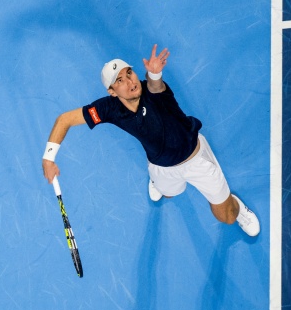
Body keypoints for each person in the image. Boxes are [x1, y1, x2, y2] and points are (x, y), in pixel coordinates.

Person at [41, 44, 260, 237]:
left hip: (196, 161)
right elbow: (64, 120)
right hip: (160, 167)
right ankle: (157, 182)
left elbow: (156, 86)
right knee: (168, 193)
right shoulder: (108, 108)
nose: (130, 81)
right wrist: (48, 159)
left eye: (130, 73)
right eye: (120, 80)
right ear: (112, 91)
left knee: (227, 217)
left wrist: (155, 75)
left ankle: (238, 207)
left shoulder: (154, 93)